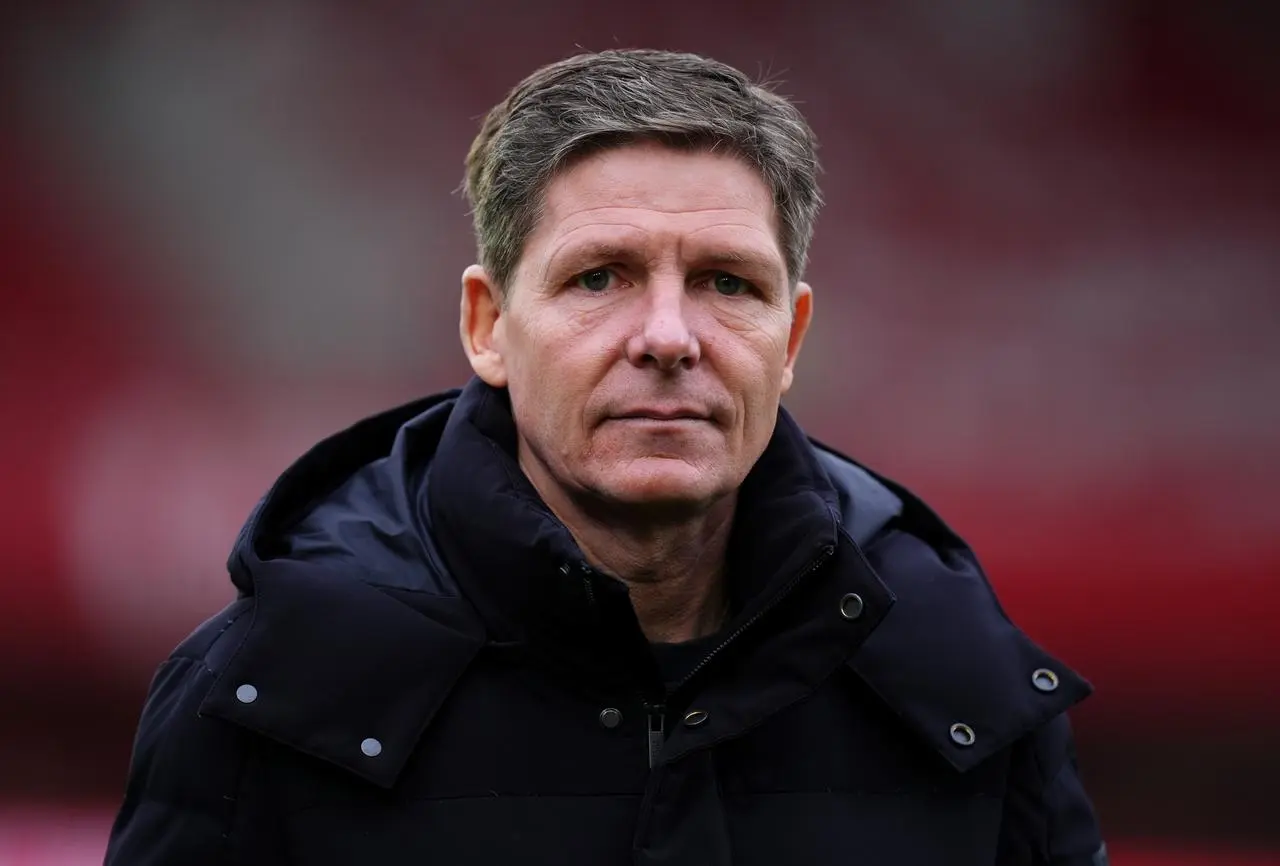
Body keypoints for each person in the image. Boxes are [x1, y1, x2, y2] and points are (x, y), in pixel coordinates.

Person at [104, 49, 1106, 865]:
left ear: (789, 339)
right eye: (599, 277)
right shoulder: (266, 685)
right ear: (487, 324)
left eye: (726, 282)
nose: (668, 335)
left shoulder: (955, 663)